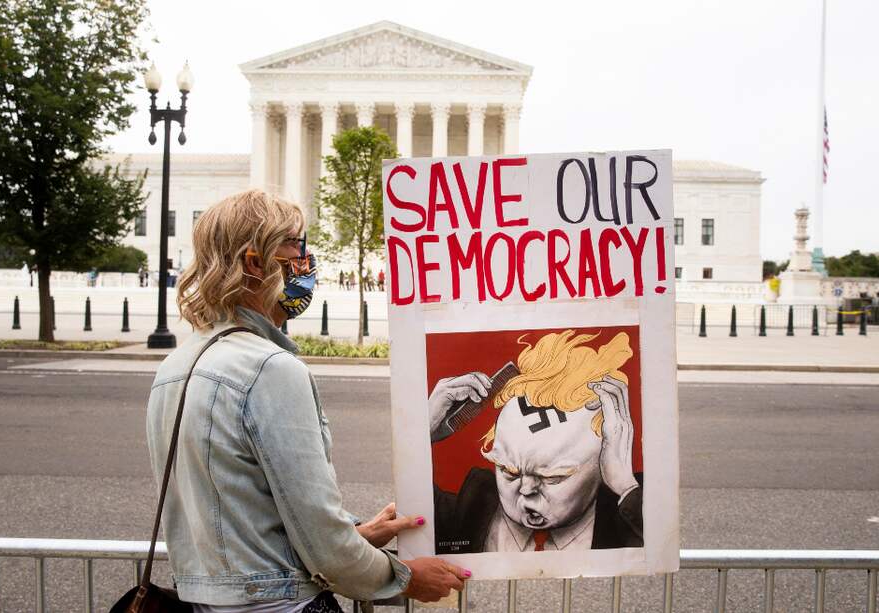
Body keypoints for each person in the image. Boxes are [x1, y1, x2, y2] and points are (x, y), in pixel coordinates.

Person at [147, 190, 468, 612]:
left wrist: (357, 534)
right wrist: (404, 578)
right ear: (255, 262)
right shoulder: (269, 369)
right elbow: (321, 540)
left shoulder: (174, 367)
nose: (306, 259)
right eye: (296, 245)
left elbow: (242, 515)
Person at [427, 330, 642, 554]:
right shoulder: (469, 509)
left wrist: (625, 485)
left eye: (553, 477)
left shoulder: (632, 517)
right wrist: (423, 434)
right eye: (508, 471)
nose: (526, 489)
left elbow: (659, 549)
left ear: (604, 462)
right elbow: (416, 521)